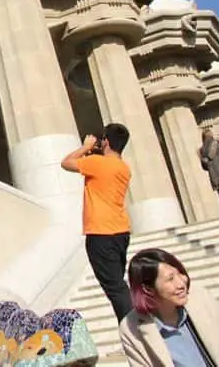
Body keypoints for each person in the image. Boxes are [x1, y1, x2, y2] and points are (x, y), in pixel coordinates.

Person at [119, 248, 219, 366]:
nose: (181, 283)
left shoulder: (200, 298)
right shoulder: (131, 327)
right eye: (170, 279)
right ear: (148, 289)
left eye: (180, 273)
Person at [61, 123, 133, 323]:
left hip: (101, 233)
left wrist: (86, 147)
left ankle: (135, 329)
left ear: (107, 142)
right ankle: (133, 325)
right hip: (120, 231)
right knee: (118, 284)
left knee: (115, 288)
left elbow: (66, 163)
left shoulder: (97, 163)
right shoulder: (123, 168)